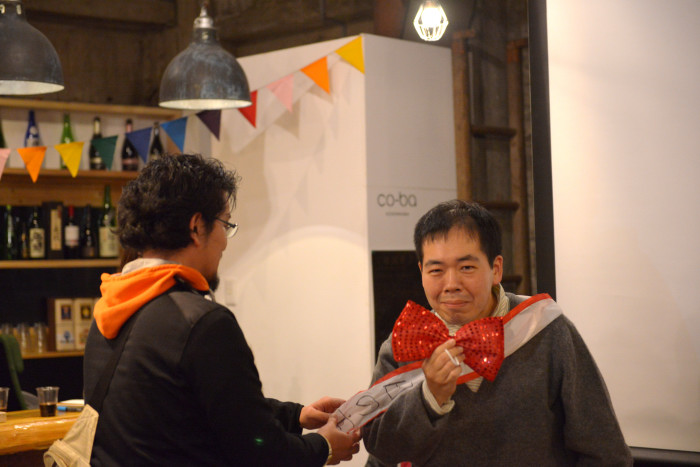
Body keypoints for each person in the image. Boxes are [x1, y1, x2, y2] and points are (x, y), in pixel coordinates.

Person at [83, 153, 360, 466]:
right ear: (196, 226)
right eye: (225, 224)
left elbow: (197, 404)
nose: (226, 243)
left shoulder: (110, 307)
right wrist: (324, 446)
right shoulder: (202, 323)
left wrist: (295, 415)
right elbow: (260, 451)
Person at [362, 199, 632, 466]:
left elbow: (605, 452)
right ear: (421, 272)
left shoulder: (545, 330)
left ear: (496, 269)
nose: (451, 284)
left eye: (467, 268)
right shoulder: (407, 342)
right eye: (436, 270)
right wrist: (428, 398)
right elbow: (382, 452)